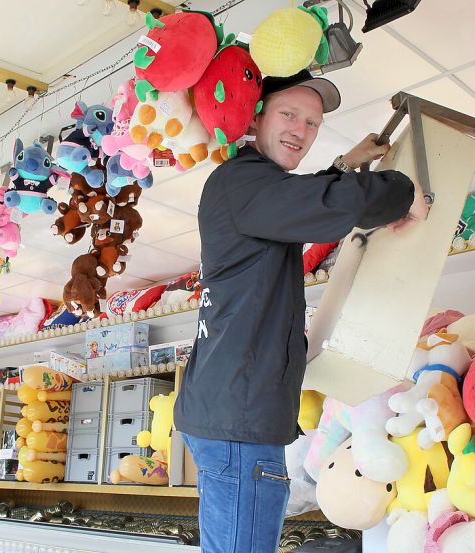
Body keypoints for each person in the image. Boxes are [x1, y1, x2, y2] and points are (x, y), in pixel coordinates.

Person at [174, 69, 428, 553]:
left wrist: (341, 164)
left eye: (312, 123)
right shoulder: (243, 182)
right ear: (256, 117)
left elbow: (300, 202)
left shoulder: (249, 190)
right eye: (289, 114)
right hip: (240, 424)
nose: (301, 130)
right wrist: (401, 192)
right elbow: (318, 203)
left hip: (226, 415)